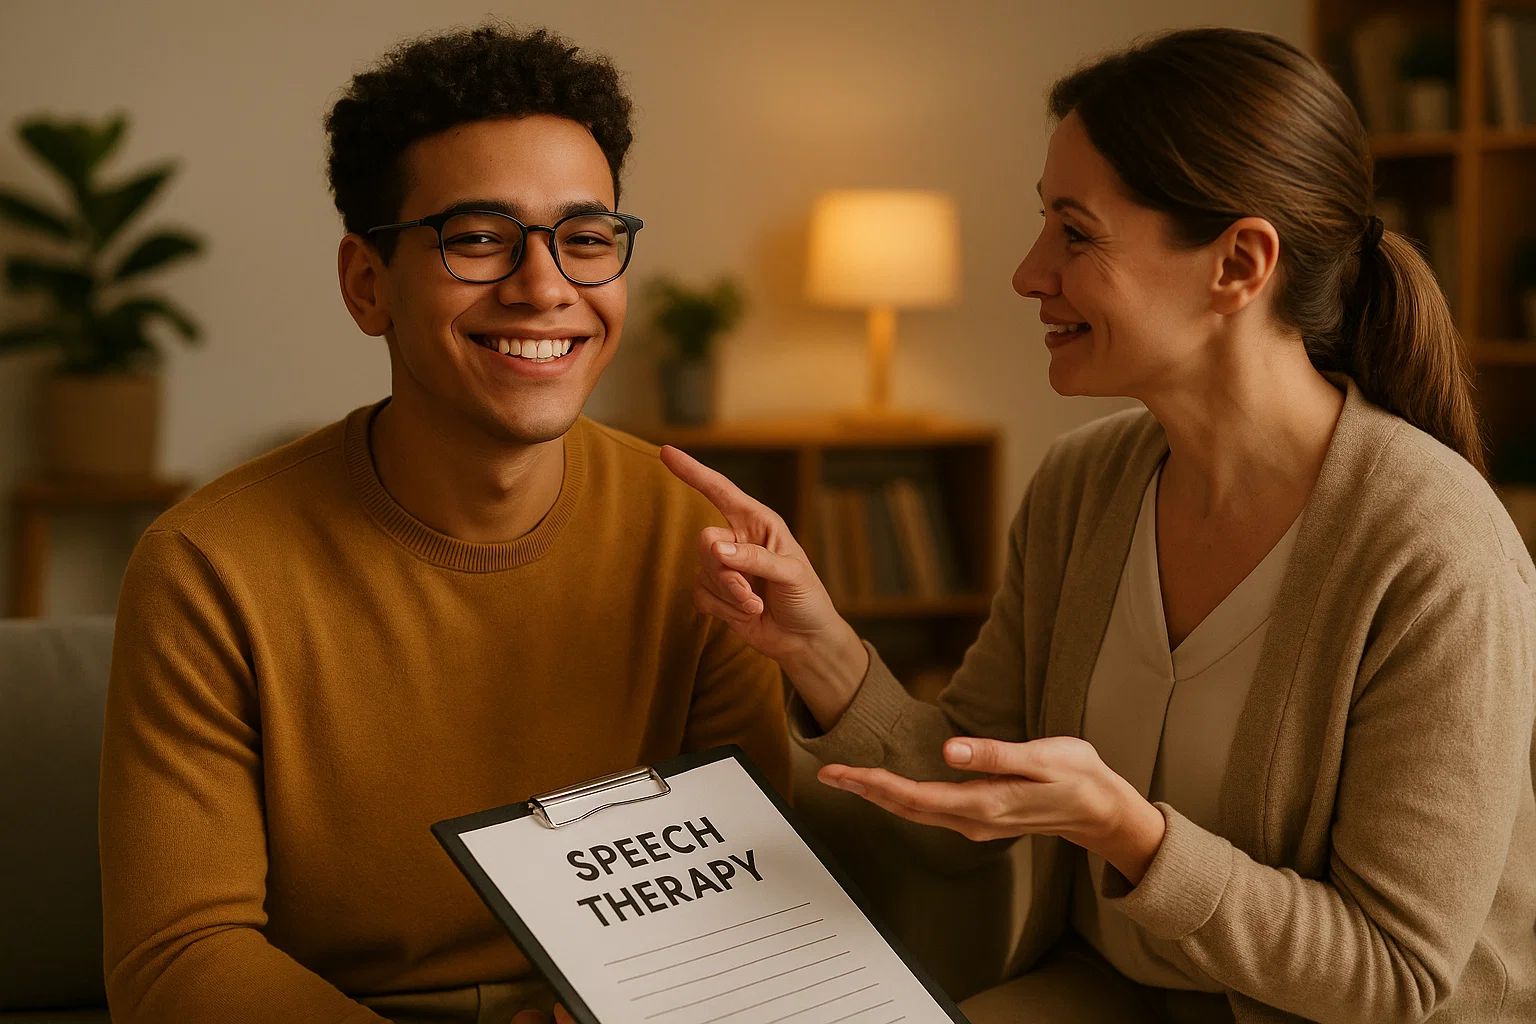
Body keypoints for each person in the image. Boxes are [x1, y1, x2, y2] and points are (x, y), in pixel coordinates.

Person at [662, 27, 1536, 1024]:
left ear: (1240, 264)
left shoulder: (1434, 546)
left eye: (1075, 233)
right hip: (1116, 996)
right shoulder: (1084, 486)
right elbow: (965, 797)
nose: (1030, 273)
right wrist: (820, 648)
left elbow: (1393, 973)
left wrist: (1132, 834)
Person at [98, 24, 789, 1024]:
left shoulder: (693, 533)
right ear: (365, 283)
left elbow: (745, 891)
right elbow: (180, 958)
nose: (545, 285)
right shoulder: (207, 565)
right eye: (477, 237)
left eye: (586, 238)